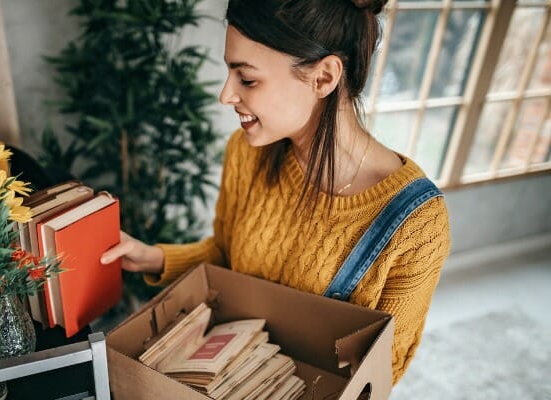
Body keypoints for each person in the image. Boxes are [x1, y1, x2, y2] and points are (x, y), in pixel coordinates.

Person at [100, 0, 450, 385]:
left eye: (246, 79)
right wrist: (150, 257)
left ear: (323, 78)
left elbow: (386, 368)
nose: (226, 95)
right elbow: (224, 256)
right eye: (229, 73)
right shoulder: (246, 153)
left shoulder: (417, 223)